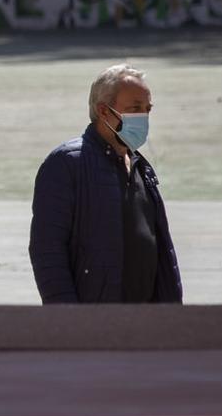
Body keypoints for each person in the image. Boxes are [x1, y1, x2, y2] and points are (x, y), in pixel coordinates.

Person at [28, 64, 183, 305]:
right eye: (134, 109)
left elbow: (162, 250)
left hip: (147, 322)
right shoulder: (66, 165)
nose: (143, 117)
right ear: (103, 110)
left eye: (147, 109)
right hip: (93, 322)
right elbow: (47, 251)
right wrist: (68, 315)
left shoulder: (140, 166)